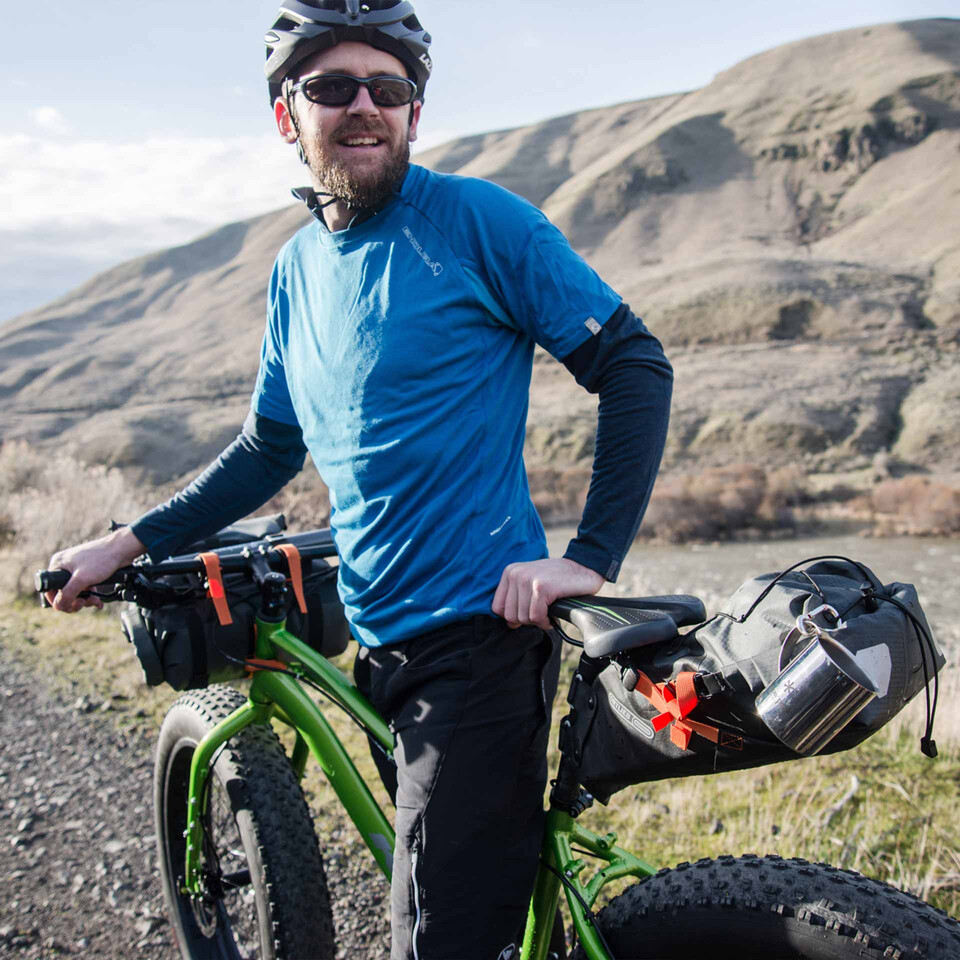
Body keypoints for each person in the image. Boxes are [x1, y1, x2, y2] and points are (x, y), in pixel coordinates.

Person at [46, 2, 673, 957]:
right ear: (285, 114)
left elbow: (632, 363)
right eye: (333, 87)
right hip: (378, 639)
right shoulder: (296, 271)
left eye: (389, 88)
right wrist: (129, 541)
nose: (365, 107)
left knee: (430, 938)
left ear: (415, 113)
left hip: (479, 643)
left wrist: (589, 556)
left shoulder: (476, 221)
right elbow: (266, 450)